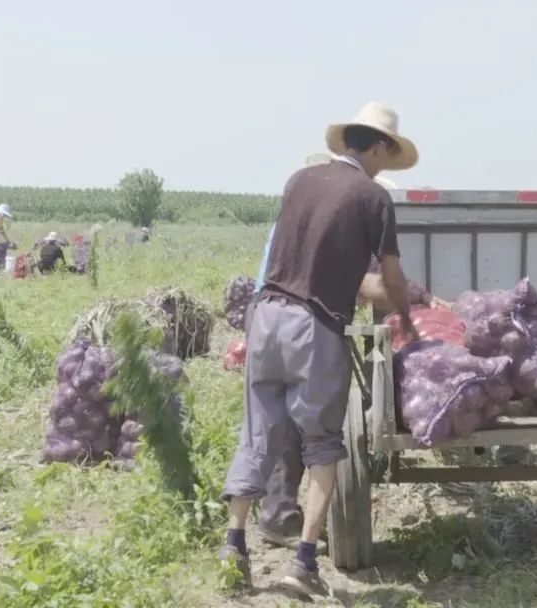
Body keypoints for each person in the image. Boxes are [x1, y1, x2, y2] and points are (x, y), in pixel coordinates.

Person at [220, 102, 419, 598]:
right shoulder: (374, 198)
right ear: (376, 146)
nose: (383, 163)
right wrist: (408, 315)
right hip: (315, 328)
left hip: (265, 318)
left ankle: (233, 547)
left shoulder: (297, 181)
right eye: (385, 153)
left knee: (257, 433)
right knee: (325, 445)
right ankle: (303, 564)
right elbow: (388, 278)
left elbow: (318, 264)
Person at [242, 160, 400, 553]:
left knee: (278, 417)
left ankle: (265, 522)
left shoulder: (301, 210)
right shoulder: (324, 224)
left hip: (270, 315)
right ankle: (282, 521)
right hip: (295, 320)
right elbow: (362, 282)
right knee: (301, 423)